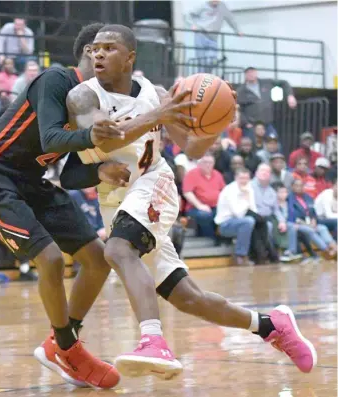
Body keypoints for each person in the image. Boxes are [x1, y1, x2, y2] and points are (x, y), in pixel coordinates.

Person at [62, 23, 317, 381]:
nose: (99, 54)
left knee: (118, 250)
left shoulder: (157, 92)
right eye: (95, 49)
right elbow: (104, 143)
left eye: (109, 48)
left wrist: (221, 117)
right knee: (186, 297)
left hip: (155, 182)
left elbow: (193, 148)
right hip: (116, 199)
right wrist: (159, 116)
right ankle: (270, 325)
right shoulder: (82, 97)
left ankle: (153, 341)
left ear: (131, 57)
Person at [0, 23, 125, 389]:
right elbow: (52, 137)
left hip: (31, 181)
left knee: (98, 260)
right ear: (92, 53)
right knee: (49, 259)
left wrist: (102, 169)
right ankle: (68, 348)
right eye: (111, 51)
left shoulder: (92, 103)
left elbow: (69, 177)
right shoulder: (55, 80)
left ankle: (61, 343)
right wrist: (92, 136)